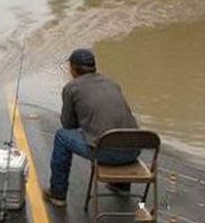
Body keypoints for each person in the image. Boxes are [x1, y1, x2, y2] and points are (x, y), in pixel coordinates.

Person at [43, 48, 140, 207]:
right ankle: (122, 186)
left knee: (62, 136)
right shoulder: (112, 83)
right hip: (134, 150)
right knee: (116, 131)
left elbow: (68, 125)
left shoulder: (71, 88)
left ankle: (57, 194)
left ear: (73, 69)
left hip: (106, 153)